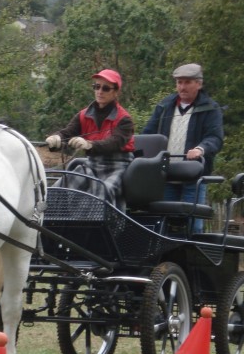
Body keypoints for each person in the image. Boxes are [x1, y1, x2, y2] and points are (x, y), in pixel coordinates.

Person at [142, 63, 224, 233]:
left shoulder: (210, 108)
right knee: (162, 222)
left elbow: (215, 138)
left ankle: (193, 256)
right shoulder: (165, 106)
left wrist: (201, 149)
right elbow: (148, 134)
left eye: (187, 82)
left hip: (194, 176)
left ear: (199, 84)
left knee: (194, 223)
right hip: (166, 174)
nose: (182, 87)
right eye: (179, 82)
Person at [45, 69, 135, 211]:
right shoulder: (83, 115)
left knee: (102, 192)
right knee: (59, 189)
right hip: (92, 165)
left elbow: (114, 142)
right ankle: (56, 226)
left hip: (118, 167)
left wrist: (89, 145)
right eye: (96, 87)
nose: (100, 91)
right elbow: (67, 132)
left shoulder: (124, 119)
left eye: (105, 88)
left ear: (116, 92)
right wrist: (56, 138)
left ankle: (101, 229)